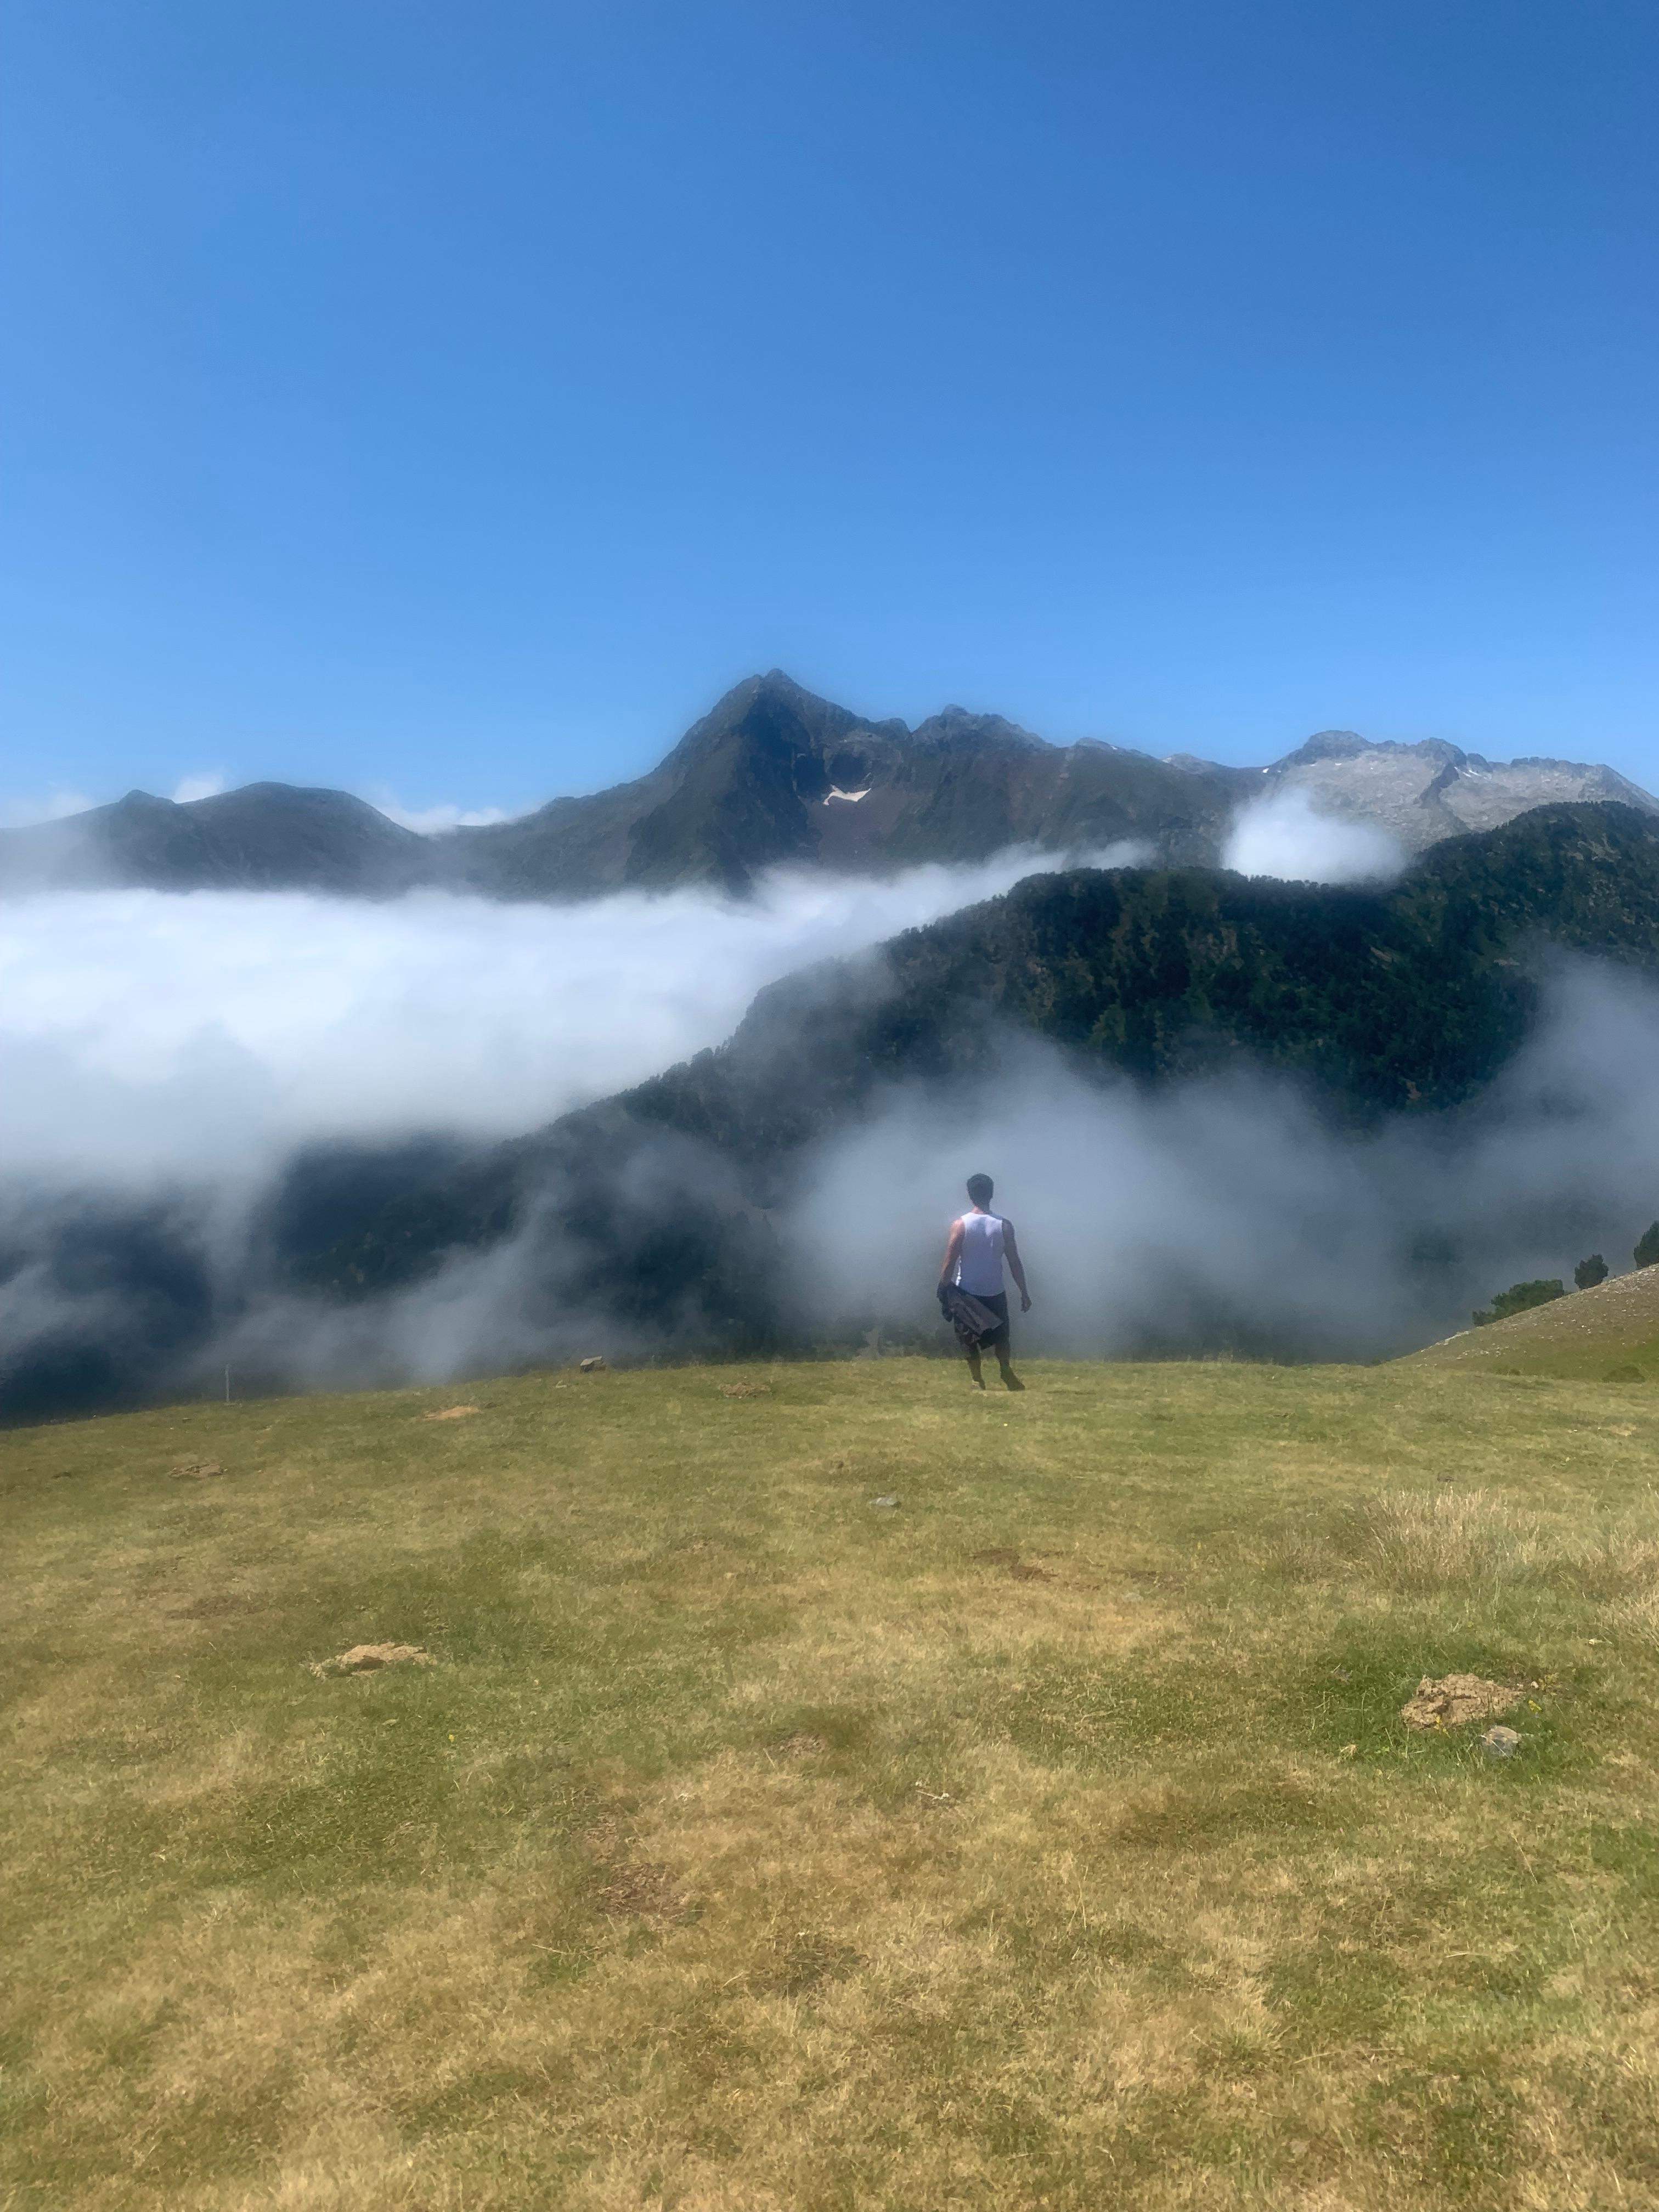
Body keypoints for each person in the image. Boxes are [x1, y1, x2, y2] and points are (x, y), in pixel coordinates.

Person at [938, 1173, 1030, 1390]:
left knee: (968, 1338)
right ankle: (1005, 1370)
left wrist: (943, 1288)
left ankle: (977, 1379)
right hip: (995, 1290)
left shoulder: (960, 1225)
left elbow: (950, 1260)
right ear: (992, 1193)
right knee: (1002, 1337)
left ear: (970, 1195)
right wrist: (1024, 1292)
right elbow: (1014, 1262)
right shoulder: (1004, 1226)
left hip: (966, 1291)